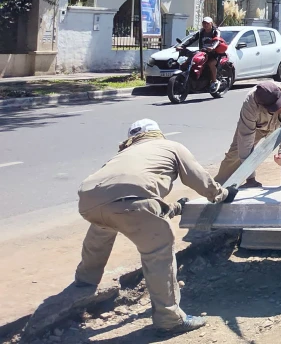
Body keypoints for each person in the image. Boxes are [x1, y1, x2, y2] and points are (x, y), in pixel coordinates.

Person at [75, 119, 229, 334]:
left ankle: (84, 280)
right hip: (132, 202)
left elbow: (130, 202)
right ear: (157, 133)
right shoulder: (171, 147)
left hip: (89, 199)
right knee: (158, 254)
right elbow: (198, 179)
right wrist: (220, 194)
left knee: (101, 230)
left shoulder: (122, 155)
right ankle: (170, 319)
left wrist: (175, 207)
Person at [215, 80, 281, 187]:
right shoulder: (250, 104)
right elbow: (245, 141)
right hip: (258, 127)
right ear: (261, 106)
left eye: (280, 102)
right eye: (275, 107)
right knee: (236, 154)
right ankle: (217, 190)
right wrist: (250, 178)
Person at [195, 16, 223, 93]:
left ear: (211, 23)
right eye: (204, 23)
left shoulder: (215, 31)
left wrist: (213, 47)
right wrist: (182, 46)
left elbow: (217, 40)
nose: (205, 25)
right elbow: (192, 39)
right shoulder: (201, 32)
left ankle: (214, 81)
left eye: (207, 23)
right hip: (203, 52)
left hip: (214, 53)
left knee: (211, 64)